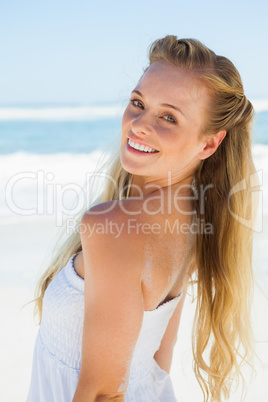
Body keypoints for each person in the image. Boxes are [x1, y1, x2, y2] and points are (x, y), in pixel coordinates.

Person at [27, 35, 257, 402]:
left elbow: (103, 394)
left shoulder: (116, 226)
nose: (139, 125)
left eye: (169, 117)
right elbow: (157, 363)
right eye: (138, 103)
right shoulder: (197, 220)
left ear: (209, 144)